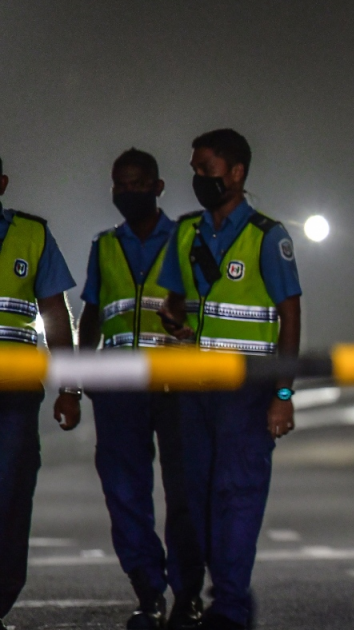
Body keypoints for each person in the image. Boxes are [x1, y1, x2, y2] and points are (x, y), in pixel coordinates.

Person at [157, 129, 301, 630]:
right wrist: (173, 318)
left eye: (207, 169)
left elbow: (290, 316)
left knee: (236, 494)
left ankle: (232, 606)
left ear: (236, 173)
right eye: (194, 170)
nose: (198, 178)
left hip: (247, 390)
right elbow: (175, 301)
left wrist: (283, 395)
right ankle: (208, 597)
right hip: (195, 389)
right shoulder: (187, 233)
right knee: (195, 496)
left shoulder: (267, 235)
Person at [78, 148, 206, 629]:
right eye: (119, 184)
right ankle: (149, 591)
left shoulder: (190, 240)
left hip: (178, 384)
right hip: (119, 389)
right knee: (124, 492)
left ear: (158, 187)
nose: (127, 192)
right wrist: (75, 380)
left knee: (185, 492)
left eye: (137, 183)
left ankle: (188, 594)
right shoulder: (104, 245)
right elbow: (92, 313)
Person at [0, 154, 82, 630]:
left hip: (14, 397)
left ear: (3, 182)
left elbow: (56, 314)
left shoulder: (32, 235)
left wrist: (68, 386)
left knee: (10, 496)